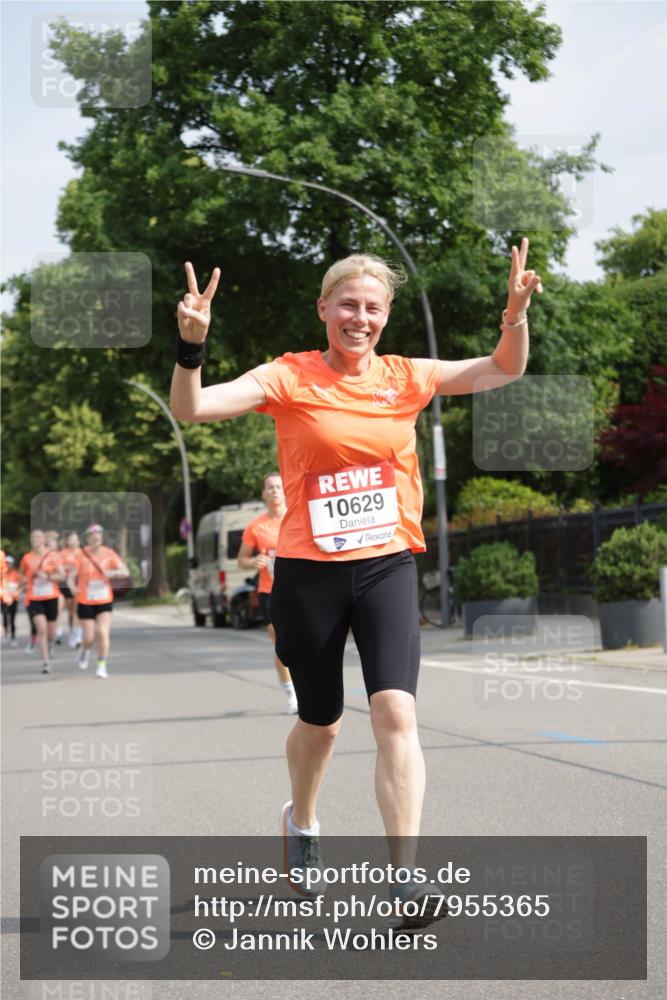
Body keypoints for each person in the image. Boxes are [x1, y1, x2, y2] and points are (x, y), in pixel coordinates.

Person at [170, 242, 541, 928]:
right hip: (309, 572)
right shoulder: (288, 376)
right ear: (323, 309)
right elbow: (192, 410)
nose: (359, 317)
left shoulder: (407, 375)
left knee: (396, 713)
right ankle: (303, 820)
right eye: (347, 304)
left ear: (386, 314)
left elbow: (501, 368)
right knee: (322, 722)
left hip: (386, 565)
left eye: (372, 307)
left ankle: (404, 881)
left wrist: (513, 315)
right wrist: (191, 347)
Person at [237, 472, 298, 715]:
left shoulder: (298, 517)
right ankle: (291, 694)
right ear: (263, 493)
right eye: (270, 487)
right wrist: (254, 562)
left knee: (306, 641)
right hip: (269, 591)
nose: (274, 491)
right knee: (281, 644)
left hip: (300, 589)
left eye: (279, 487)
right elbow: (241, 559)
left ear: (286, 491)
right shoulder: (256, 526)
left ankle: (308, 686)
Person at [69, 524, 129, 679]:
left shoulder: (109, 553)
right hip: (85, 599)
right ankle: (84, 650)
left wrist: (112, 572)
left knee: (102, 633)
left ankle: (101, 665)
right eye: (92, 536)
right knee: (89, 637)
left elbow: (125, 572)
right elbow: (70, 576)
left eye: (98, 536)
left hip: (104, 598)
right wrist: (72, 588)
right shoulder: (81, 555)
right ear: (88, 538)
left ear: (102, 537)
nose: (95, 538)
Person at [19, 530, 62, 674]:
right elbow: (22, 575)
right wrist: (24, 583)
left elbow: (62, 575)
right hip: (34, 597)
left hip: (51, 596)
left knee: (51, 632)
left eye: (38, 537)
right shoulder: (27, 558)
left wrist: (48, 577)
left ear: (44, 539)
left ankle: (51, 645)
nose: (35, 540)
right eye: (33, 537)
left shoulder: (53, 556)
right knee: (41, 629)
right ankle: (45, 661)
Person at [59, 531, 83, 648]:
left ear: (79, 541)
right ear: (67, 542)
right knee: (71, 612)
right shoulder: (63, 553)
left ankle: (78, 635)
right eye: (70, 540)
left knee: (79, 610)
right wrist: (66, 567)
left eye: (75, 540)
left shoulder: (83, 553)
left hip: (80, 582)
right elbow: (57, 567)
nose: (72, 542)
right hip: (66, 583)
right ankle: (72, 631)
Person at [2, 555, 21, 646]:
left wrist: (17, 592)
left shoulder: (16, 574)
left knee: (12, 619)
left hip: (14, 599)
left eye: (8, 564)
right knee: (5, 617)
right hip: (4, 599)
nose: (7, 565)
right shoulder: (2, 574)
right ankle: (6, 634)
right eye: (6, 563)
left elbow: (21, 586)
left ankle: (13, 637)